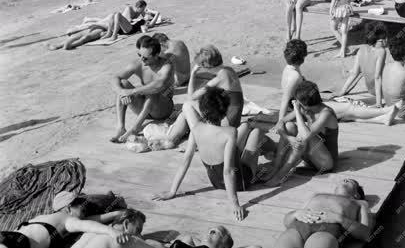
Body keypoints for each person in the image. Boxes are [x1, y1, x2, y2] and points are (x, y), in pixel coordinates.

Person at [153, 88, 267, 222]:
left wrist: (172, 191)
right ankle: (273, 155)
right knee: (256, 132)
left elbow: (186, 161)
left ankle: (266, 150)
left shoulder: (196, 128)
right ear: (224, 112)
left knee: (245, 128)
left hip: (215, 181)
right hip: (240, 182)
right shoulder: (230, 132)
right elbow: (228, 171)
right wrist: (235, 204)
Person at [261, 81, 339, 187]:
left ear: (303, 103)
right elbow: (280, 123)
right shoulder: (306, 108)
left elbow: (306, 136)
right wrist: (288, 138)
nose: (295, 102)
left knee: (303, 136)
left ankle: (280, 176)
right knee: (289, 126)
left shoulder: (326, 113)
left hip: (325, 163)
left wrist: (297, 110)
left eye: (297, 101)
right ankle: (276, 166)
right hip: (310, 158)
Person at [0, 191, 131, 248]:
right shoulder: (67, 219)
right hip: (17, 244)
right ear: (68, 208)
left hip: (10, 237)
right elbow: (89, 225)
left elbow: (89, 221)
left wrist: (115, 214)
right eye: (81, 206)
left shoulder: (44, 218)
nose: (84, 209)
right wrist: (111, 231)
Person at [109, 35, 174, 143]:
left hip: (162, 109)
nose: (141, 59)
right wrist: (122, 92)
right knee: (123, 83)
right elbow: (115, 78)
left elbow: (159, 85)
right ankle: (121, 127)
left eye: (146, 57)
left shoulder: (166, 65)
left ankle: (135, 128)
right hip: (143, 107)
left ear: (156, 55)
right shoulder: (138, 63)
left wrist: (132, 92)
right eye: (139, 55)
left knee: (152, 90)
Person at [275, 179, 371, 247]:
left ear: (356, 194)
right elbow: (287, 223)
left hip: (327, 230)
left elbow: (366, 234)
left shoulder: (360, 203)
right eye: (343, 179)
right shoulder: (317, 195)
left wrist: (340, 219)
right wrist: (295, 214)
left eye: (351, 182)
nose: (345, 180)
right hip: (298, 226)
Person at [334, 23, 388, 106]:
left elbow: (354, 73)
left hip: (370, 90)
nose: (387, 40)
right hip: (381, 91)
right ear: (378, 40)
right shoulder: (381, 51)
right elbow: (377, 77)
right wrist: (378, 102)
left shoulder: (361, 49)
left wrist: (342, 92)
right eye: (384, 38)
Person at [68, 210, 149, 248]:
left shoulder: (91, 233)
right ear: (126, 224)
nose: (139, 235)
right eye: (138, 230)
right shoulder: (120, 240)